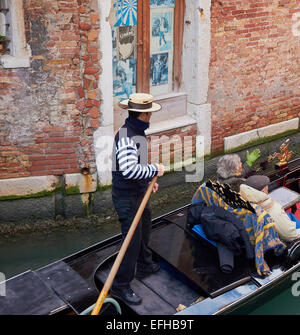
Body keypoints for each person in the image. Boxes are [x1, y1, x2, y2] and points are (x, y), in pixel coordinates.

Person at [110, 93, 165, 305]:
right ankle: (120, 285)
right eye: (149, 112)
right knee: (131, 241)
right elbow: (129, 170)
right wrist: (155, 169)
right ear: (144, 115)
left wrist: (148, 181)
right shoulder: (127, 135)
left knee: (145, 225)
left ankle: (144, 264)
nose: (151, 115)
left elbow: (137, 168)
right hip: (126, 197)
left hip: (137, 192)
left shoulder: (137, 132)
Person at [240, 175, 300, 242]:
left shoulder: (242, 198)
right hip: (278, 240)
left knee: (289, 215)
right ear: (263, 190)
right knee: (291, 219)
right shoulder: (273, 209)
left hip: (257, 230)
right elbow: (290, 236)